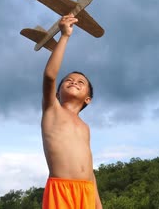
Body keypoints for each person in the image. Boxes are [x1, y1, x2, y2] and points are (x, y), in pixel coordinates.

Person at [41, 13, 102, 208]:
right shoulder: (53, 110)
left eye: (80, 82)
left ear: (88, 99)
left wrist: (98, 204)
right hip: (61, 190)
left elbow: (90, 170)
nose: (74, 81)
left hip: (86, 192)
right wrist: (64, 36)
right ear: (57, 93)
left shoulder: (85, 127)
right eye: (68, 80)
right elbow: (50, 75)